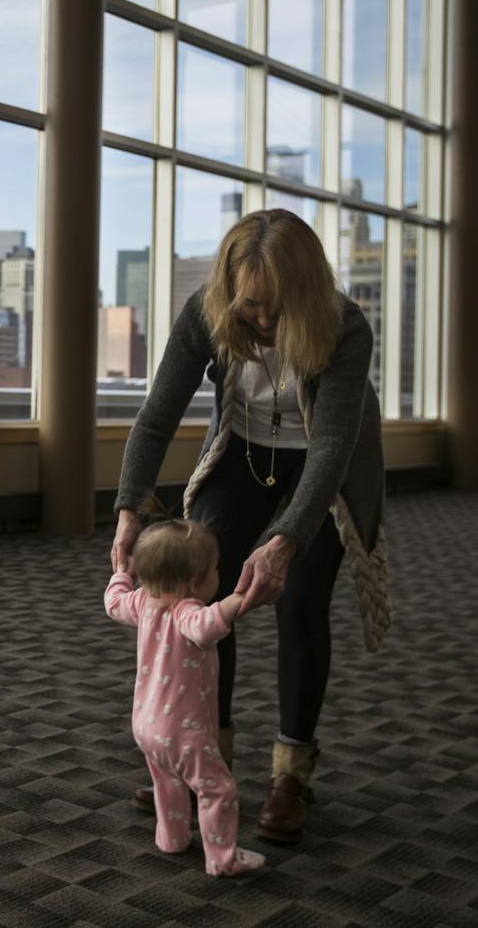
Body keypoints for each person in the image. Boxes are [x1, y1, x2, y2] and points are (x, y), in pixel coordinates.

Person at [111, 208, 389, 845]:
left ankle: (292, 773)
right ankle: (207, 757)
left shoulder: (345, 326)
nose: (263, 320)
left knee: (299, 600)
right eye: (250, 308)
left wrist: (285, 542)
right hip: (240, 453)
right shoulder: (205, 314)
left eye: (278, 307)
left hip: (323, 462)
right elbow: (156, 419)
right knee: (201, 591)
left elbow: (331, 449)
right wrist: (129, 508)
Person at [104, 517, 266, 876]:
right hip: (184, 731)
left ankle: (171, 837)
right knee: (217, 789)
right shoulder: (186, 612)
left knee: (168, 782)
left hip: (146, 726)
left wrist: (121, 571)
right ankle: (223, 859)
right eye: (213, 570)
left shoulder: (142, 602)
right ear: (195, 581)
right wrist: (240, 598)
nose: (216, 575)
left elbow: (113, 602)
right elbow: (207, 625)